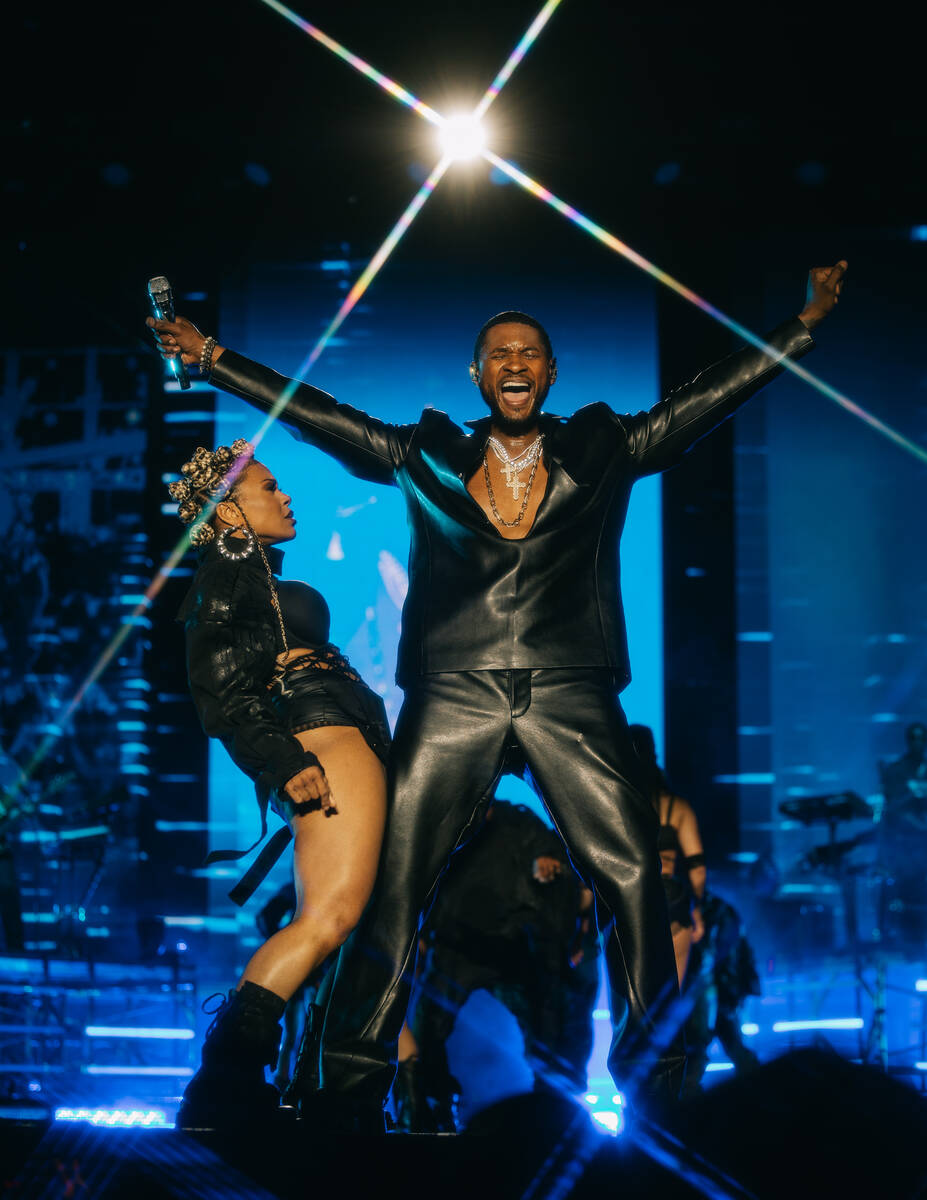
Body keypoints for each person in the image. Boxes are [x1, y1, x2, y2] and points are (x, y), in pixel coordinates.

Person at [148, 257, 845, 1127]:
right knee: (397, 884)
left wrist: (800, 326)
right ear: (478, 375)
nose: (514, 361)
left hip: (569, 685)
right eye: (498, 353)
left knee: (633, 876)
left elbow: (707, 399)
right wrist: (213, 358)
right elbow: (318, 415)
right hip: (456, 687)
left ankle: (661, 1096)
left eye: (529, 352)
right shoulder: (425, 452)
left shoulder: (606, 444)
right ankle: (346, 1092)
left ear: (549, 373)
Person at [165, 438, 391, 1130]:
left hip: (338, 734)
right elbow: (223, 690)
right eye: (267, 487)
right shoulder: (227, 577)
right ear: (227, 511)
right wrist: (282, 761)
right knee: (329, 918)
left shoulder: (251, 575)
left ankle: (299, 1086)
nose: (285, 496)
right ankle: (225, 1082)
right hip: (321, 737)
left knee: (348, 928)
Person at [399, 798, 597, 1132]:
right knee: (429, 1027)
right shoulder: (444, 825)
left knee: (547, 1028)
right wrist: (421, 930)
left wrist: (547, 867)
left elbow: (553, 860)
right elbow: (420, 877)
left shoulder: (520, 822)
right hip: (457, 945)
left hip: (515, 947)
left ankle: (551, 1112)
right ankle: (428, 1109)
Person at [629, 725, 706, 986]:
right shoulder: (677, 808)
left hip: (630, 898)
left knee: (632, 996)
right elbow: (697, 867)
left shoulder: (617, 804)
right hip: (669, 898)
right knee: (670, 994)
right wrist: (697, 909)